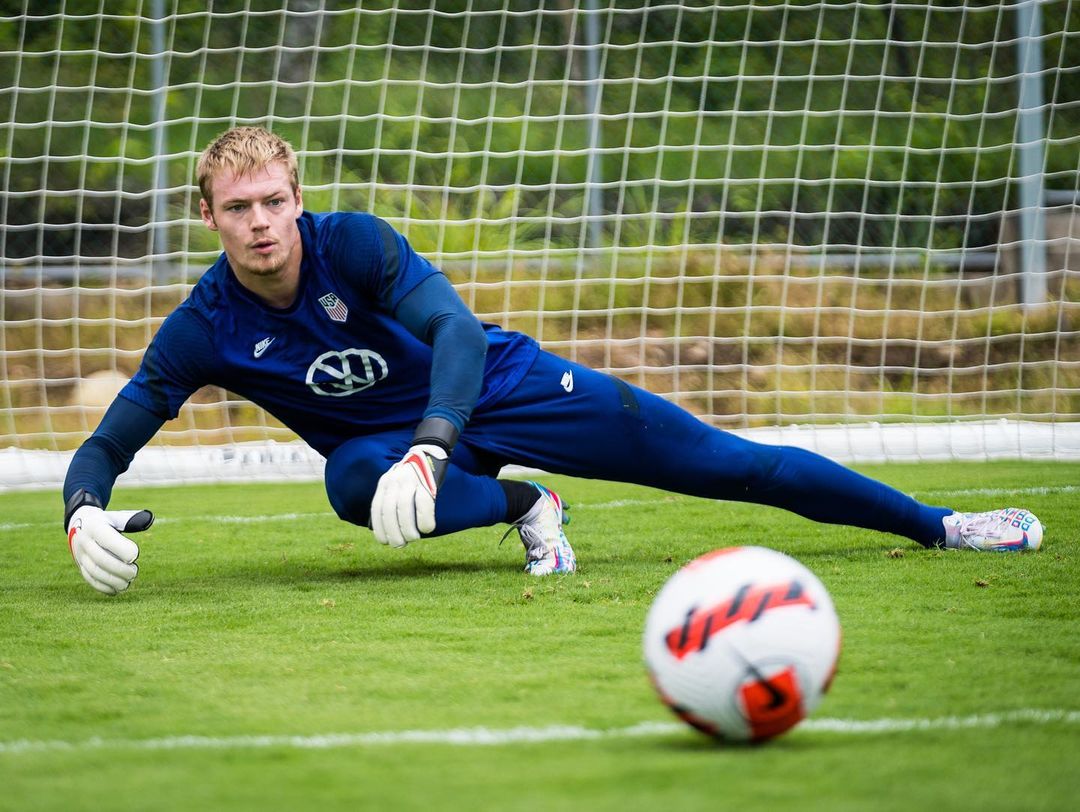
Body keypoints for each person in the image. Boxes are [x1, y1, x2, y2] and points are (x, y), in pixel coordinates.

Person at [62, 127, 1044, 595]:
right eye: (239, 208)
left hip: (497, 385)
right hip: (392, 450)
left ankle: (941, 524)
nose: (262, 222)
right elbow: (112, 437)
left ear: (297, 198)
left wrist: (433, 447)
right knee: (351, 480)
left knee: (727, 463)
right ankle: (529, 507)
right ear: (208, 216)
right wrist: (81, 510)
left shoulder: (351, 242)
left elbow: (455, 331)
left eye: (275, 201)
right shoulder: (204, 325)